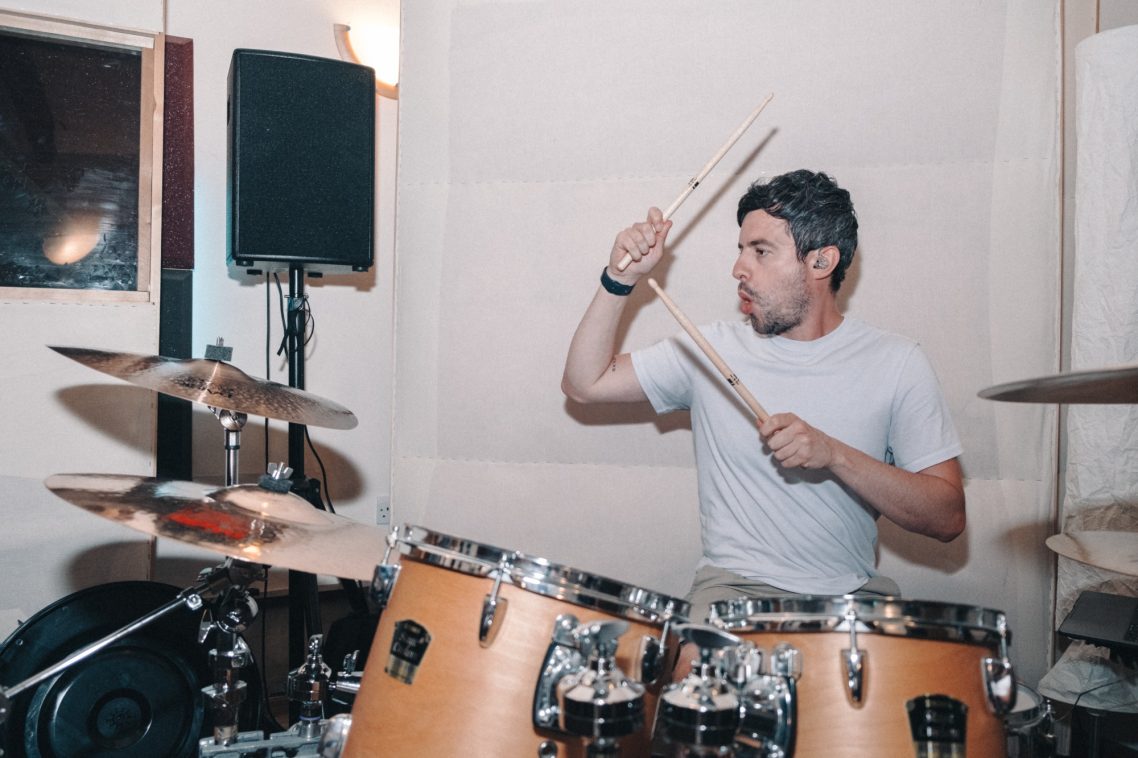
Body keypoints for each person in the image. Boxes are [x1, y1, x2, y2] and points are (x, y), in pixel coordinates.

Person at [561, 169, 965, 620]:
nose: (738, 268)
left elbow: (947, 518)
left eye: (761, 251)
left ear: (820, 262)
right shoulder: (711, 350)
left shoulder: (897, 362)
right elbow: (585, 382)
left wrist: (833, 454)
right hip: (732, 589)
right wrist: (620, 278)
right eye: (741, 250)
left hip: (852, 596)